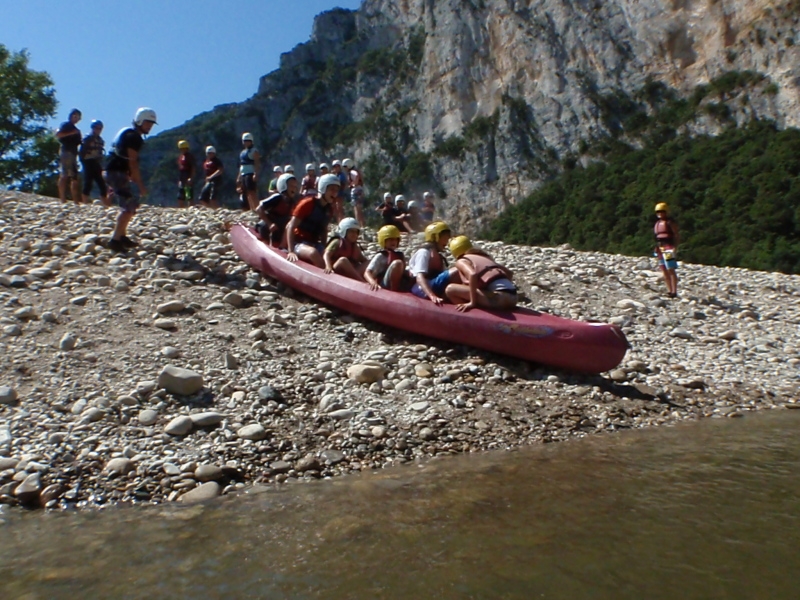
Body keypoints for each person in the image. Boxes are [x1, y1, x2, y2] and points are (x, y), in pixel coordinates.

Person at [104, 107, 157, 252]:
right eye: (148, 123)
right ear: (140, 121)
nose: (149, 127)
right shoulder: (134, 138)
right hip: (118, 172)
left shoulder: (127, 133)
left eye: (151, 124)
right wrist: (140, 185)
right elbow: (132, 162)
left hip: (114, 171)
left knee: (130, 205)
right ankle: (115, 240)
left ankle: (122, 236)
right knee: (128, 207)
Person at [444, 236, 518, 312]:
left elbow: (472, 275)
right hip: (514, 298)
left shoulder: (462, 261)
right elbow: (509, 273)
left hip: (499, 298)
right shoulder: (484, 257)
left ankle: (471, 315)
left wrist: (472, 302)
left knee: (450, 289)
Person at [285, 173, 339, 267]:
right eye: (332, 189)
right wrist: (291, 251)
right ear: (323, 188)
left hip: (314, 243)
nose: (334, 193)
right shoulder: (307, 203)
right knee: (313, 253)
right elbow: (291, 226)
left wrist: (324, 247)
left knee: (330, 255)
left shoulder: (329, 209)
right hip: (298, 242)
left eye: (336, 190)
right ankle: (327, 277)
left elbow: (324, 230)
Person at [408, 221, 459, 305]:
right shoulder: (423, 252)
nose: (447, 241)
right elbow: (419, 277)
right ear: (435, 237)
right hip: (421, 289)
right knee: (457, 270)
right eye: (445, 238)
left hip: (433, 284)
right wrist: (432, 295)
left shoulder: (438, 255)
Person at [257, 172, 298, 247]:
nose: (294, 189)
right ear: (284, 186)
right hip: (267, 227)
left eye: (295, 187)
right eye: (291, 186)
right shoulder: (277, 197)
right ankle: (270, 245)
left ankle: (282, 246)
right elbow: (259, 208)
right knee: (265, 225)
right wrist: (269, 224)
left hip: (279, 228)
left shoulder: (292, 202)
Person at [365, 225, 411, 292]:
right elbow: (367, 272)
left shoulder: (400, 255)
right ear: (383, 240)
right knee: (397, 263)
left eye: (395, 239)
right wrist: (372, 282)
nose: (393, 242)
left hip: (399, 283)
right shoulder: (380, 256)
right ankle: (394, 292)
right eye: (390, 239)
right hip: (384, 284)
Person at [79, 119, 109, 206]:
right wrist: (83, 161)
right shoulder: (87, 138)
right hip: (88, 161)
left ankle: (105, 203)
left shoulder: (100, 140)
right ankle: (84, 202)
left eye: (100, 128)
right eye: (96, 128)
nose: (98, 130)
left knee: (101, 183)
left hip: (96, 162)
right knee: (88, 181)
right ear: (92, 128)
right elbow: (82, 151)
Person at [56, 108, 82, 204]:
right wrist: (71, 133)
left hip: (73, 153)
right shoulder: (65, 125)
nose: (76, 119)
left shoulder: (77, 130)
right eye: (74, 116)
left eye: (78, 117)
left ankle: (75, 200)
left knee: (74, 177)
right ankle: (62, 198)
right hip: (66, 151)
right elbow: (58, 134)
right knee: (65, 174)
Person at [653, 202, 680, 298]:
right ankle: (669, 290)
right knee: (663, 269)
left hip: (668, 247)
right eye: (658, 212)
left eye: (662, 211)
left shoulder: (670, 223)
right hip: (660, 247)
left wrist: (675, 247)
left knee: (670, 268)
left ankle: (674, 291)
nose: (660, 213)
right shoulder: (657, 223)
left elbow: (676, 235)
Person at [238, 133, 261, 211]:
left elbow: (257, 163)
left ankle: (257, 208)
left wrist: (256, 173)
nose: (246, 142)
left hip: (250, 173)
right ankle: (251, 208)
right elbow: (241, 165)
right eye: (245, 141)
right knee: (247, 192)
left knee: (252, 191)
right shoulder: (242, 152)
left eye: (248, 141)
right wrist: (239, 177)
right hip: (243, 174)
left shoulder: (254, 151)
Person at [345, 158, 365, 227]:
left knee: (356, 208)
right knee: (359, 208)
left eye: (345, 166)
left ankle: (357, 224)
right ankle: (362, 224)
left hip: (355, 190)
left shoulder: (351, 172)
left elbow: (356, 176)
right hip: (360, 189)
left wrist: (353, 184)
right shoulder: (356, 170)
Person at [176, 140, 196, 208]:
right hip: (182, 177)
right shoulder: (181, 157)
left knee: (189, 195)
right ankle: (182, 209)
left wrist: (191, 177)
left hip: (187, 176)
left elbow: (193, 167)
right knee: (180, 196)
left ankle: (190, 208)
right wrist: (180, 180)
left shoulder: (189, 157)